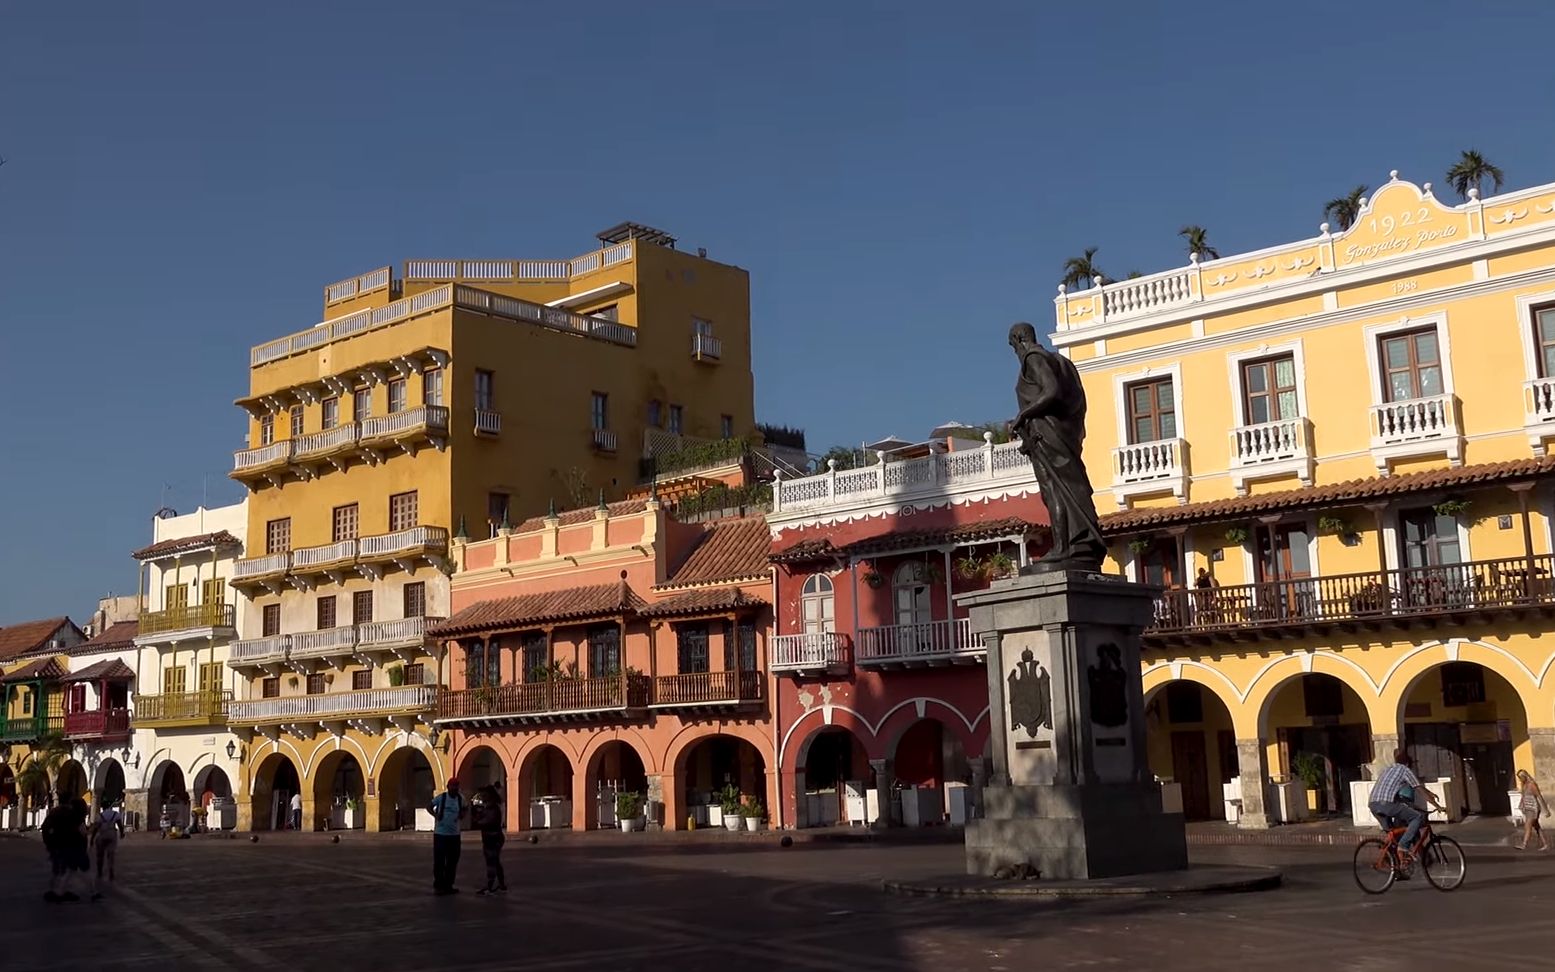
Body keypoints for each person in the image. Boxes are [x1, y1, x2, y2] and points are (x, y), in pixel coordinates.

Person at [1367, 750, 1445, 872]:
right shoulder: (1405, 770)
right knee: (1417, 818)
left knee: (1394, 833)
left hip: (1373, 805)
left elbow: (1393, 792)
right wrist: (1437, 806)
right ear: (1408, 763)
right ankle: (1402, 848)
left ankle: (1394, 866)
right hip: (1388, 805)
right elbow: (1419, 788)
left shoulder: (1388, 769)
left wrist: (1429, 793)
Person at [41, 796, 90, 903]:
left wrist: (48, 842)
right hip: (71, 845)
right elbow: (82, 832)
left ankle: (54, 891)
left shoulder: (54, 813)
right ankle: (60, 893)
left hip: (55, 845)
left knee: (57, 870)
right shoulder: (75, 815)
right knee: (68, 870)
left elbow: (45, 827)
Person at [428, 777, 465, 895]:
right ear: (448, 787)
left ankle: (448, 885)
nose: (454, 789)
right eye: (452, 786)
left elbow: (466, 807)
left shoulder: (460, 798)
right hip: (441, 834)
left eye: (456, 786)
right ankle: (439, 885)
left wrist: (462, 814)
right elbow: (429, 805)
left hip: (454, 835)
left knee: (452, 861)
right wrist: (436, 815)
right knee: (439, 861)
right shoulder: (442, 798)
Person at [473, 783, 507, 895]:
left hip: (493, 838)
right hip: (489, 838)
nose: (482, 796)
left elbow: (489, 822)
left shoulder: (493, 808)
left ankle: (490, 886)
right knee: (495, 862)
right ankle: (501, 884)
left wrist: (479, 821)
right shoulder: (487, 807)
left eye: (484, 794)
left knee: (491, 862)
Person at [91, 800, 125, 900]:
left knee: (100, 855)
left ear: (102, 807)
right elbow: (119, 825)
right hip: (112, 835)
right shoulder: (115, 814)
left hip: (102, 835)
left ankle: (100, 871)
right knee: (111, 854)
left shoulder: (100, 816)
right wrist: (122, 833)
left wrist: (92, 839)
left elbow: (96, 828)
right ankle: (111, 871)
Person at [1515, 769, 1549, 851]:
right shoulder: (1524, 785)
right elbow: (1523, 797)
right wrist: (1521, 806)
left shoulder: (1532, 785)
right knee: (1537, 827)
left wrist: (1546, 810)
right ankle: (1545, 844)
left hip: (1533, 809)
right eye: (1519, 777)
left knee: (1527, 826)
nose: (1520, 779)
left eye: (1521, 777)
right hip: (1527, 808)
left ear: (1525, 776)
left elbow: (1539, 797)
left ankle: (1524, 844)